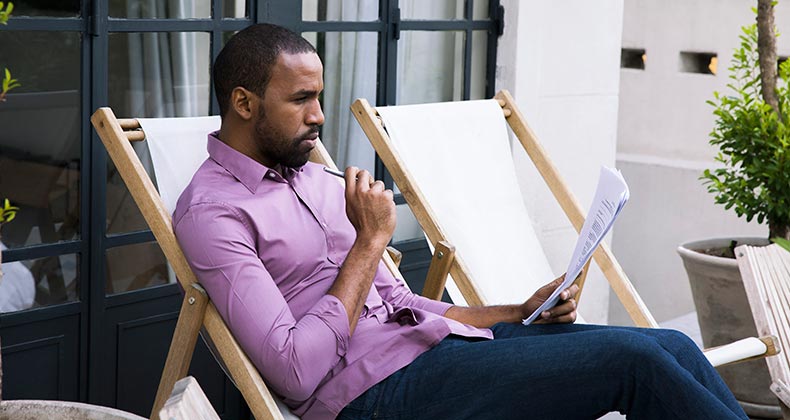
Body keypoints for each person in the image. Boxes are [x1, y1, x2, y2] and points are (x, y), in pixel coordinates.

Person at [173, 23, 747, 420]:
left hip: (437, 351)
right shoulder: (213, 213)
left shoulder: (312, 178)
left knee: (671, 346)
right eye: (300, 99)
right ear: (245, 104)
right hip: (372, 397)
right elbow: (295, 371)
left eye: (320, 96)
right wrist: (370, 240)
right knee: (638, 364)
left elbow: (408, 307)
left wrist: (518, 312)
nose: (319, 116)